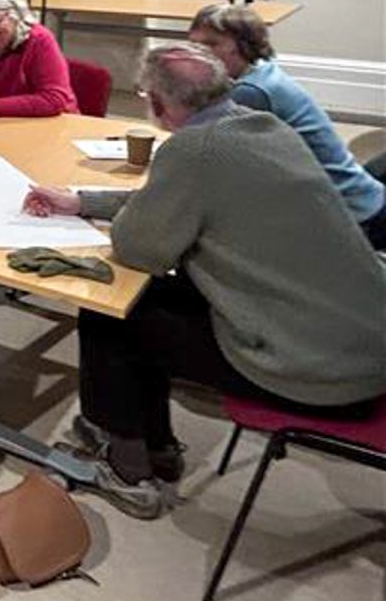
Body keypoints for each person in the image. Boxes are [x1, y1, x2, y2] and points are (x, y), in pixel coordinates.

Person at [23, 44, 386, 518]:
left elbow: (139, 247)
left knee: (110, 312)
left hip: (314, 371)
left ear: (157, 103)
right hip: (363, 347)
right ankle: (155, 447)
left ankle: (129, 472)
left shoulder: (193, 150)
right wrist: (82, 202)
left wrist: (117, 213)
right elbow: (178, 199)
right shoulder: (265, 128)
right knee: (150, 304)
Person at [189, 3, 385, 248]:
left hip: (352, 218)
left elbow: (213, 155)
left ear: (242, 45)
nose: (199, 54)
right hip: (360, 198)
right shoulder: (262, 72)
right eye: (194, 45)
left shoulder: (251, 91)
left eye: (211, 44)